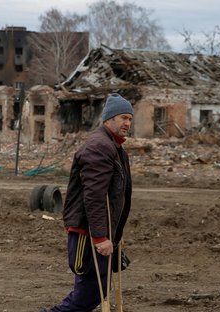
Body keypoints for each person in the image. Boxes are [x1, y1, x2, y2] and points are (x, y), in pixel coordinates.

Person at [42, 93, 134, 312]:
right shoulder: (99, 147)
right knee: (88, 293)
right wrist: (101, 237)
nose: (127, 123)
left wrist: (115, 235)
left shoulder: (114, 147)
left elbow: (115, 197)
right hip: (88, 232)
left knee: (96, 291)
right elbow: (93, 196)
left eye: (130, 118)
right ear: (108, 119)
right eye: (123, 118)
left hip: (99, 231)